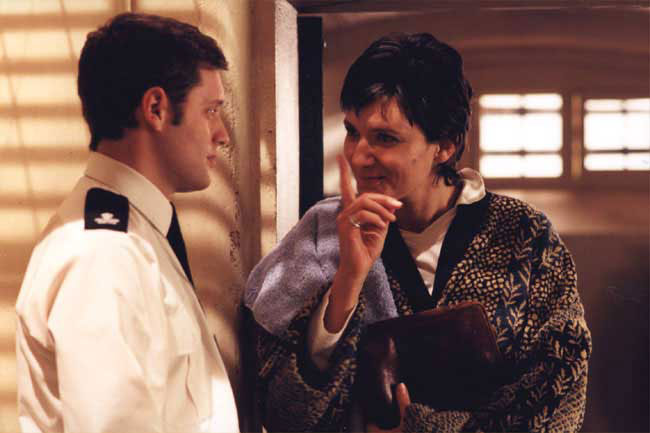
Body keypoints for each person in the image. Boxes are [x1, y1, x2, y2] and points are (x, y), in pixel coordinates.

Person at [245, 33, 592, 432]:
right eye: (352, 131)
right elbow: (282, 414)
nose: (358, 156)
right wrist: (348, 282)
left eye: (385, 138)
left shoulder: (524, 235)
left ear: (445, 146)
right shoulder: (323, 235)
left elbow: (560, 401)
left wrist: (421, 427)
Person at [15, 13, 239, 432]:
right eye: (210, 111)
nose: (221, 134)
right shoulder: (104, 253)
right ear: (156, 108)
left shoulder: (137, 235)